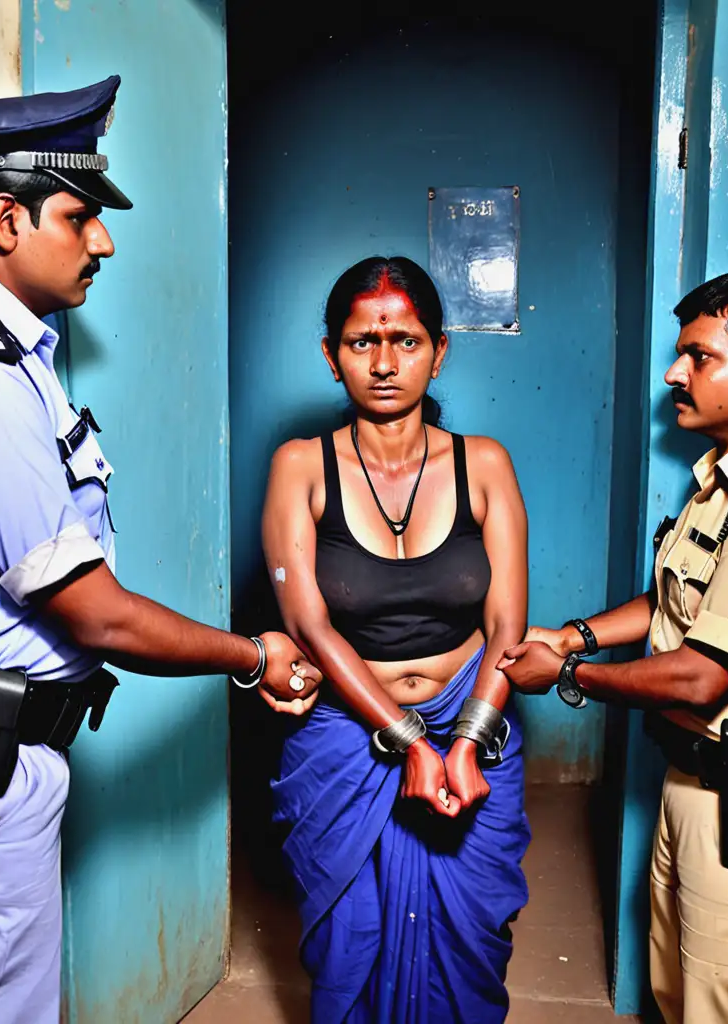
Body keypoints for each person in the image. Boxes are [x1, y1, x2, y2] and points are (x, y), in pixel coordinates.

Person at [0, 76, 320, 1024]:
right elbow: (93, 610)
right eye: (80, 217)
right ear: (5, 218)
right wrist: (252, 655)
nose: (104, 241)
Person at [498, 269, 728, 1024]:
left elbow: (703, 675)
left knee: (713, 1004)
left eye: (700, 357)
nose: (674, 374)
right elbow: (677, 603)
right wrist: (575, 633)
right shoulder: (725, 482)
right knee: (675, 994)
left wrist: (570, 672)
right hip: (687, 780)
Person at [261, 256, 531, 1022]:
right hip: (346, 732)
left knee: (470, 933)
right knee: (350, 936)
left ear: (440, 351)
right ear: (330, 354)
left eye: (407, 341)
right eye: (361, 342)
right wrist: (410, 738)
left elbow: (506, 624)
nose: (384, 363)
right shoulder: (299, 468)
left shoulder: (484, 463)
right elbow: (308, 625)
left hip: (474, 719)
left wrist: (466, 743)